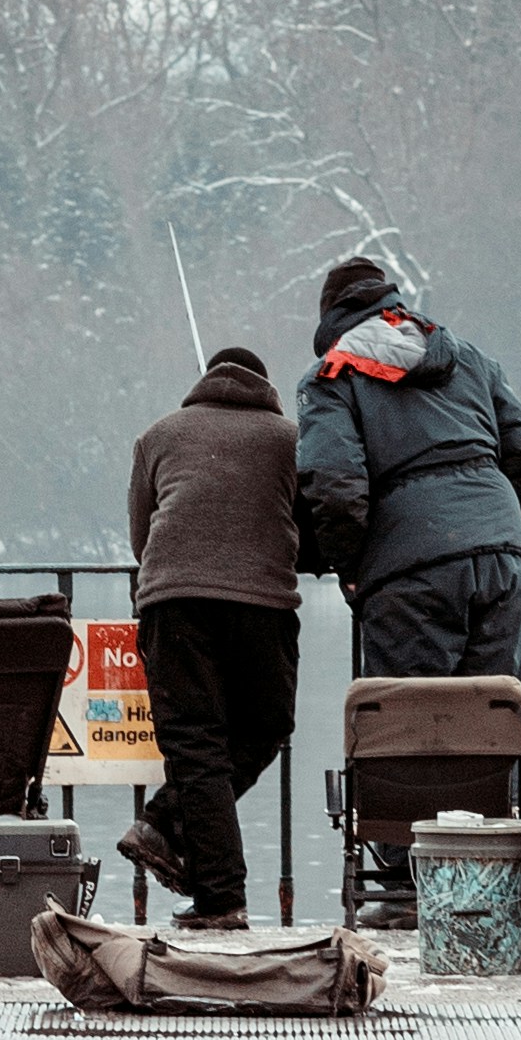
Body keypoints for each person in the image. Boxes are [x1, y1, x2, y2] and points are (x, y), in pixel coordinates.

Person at [297, 252, 521, 698]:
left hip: (409, 570)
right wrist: (491, 524)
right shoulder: (469, 358)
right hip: (500, 558)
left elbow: (335, 486)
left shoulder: (331, 376)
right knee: (495, 718)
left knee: (411, 731)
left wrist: (351, 565)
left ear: (332, 317)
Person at [120, 339, 300, 926]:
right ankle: (209, 881)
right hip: (263, 604)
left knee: (195, 743)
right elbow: (310, 516)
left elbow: (140, 537)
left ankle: (178, 840)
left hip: (173, 604)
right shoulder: (290, 440)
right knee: (267, 726)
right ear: (265, 388)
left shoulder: (158, 435)